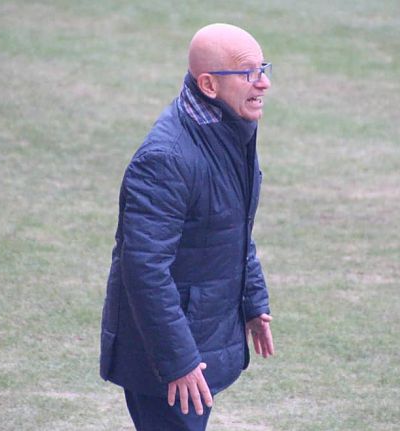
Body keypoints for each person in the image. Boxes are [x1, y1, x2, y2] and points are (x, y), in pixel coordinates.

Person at [99, 23, 274, 431]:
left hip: (197, 342)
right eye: (248, 73)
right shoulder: (166, 159)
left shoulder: (228, 132)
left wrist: (252, 300)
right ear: (209, 85)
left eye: (263, 69)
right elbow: (144, 269)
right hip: (165, 362)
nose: (263, 83)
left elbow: (232, 226)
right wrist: (178, 361)